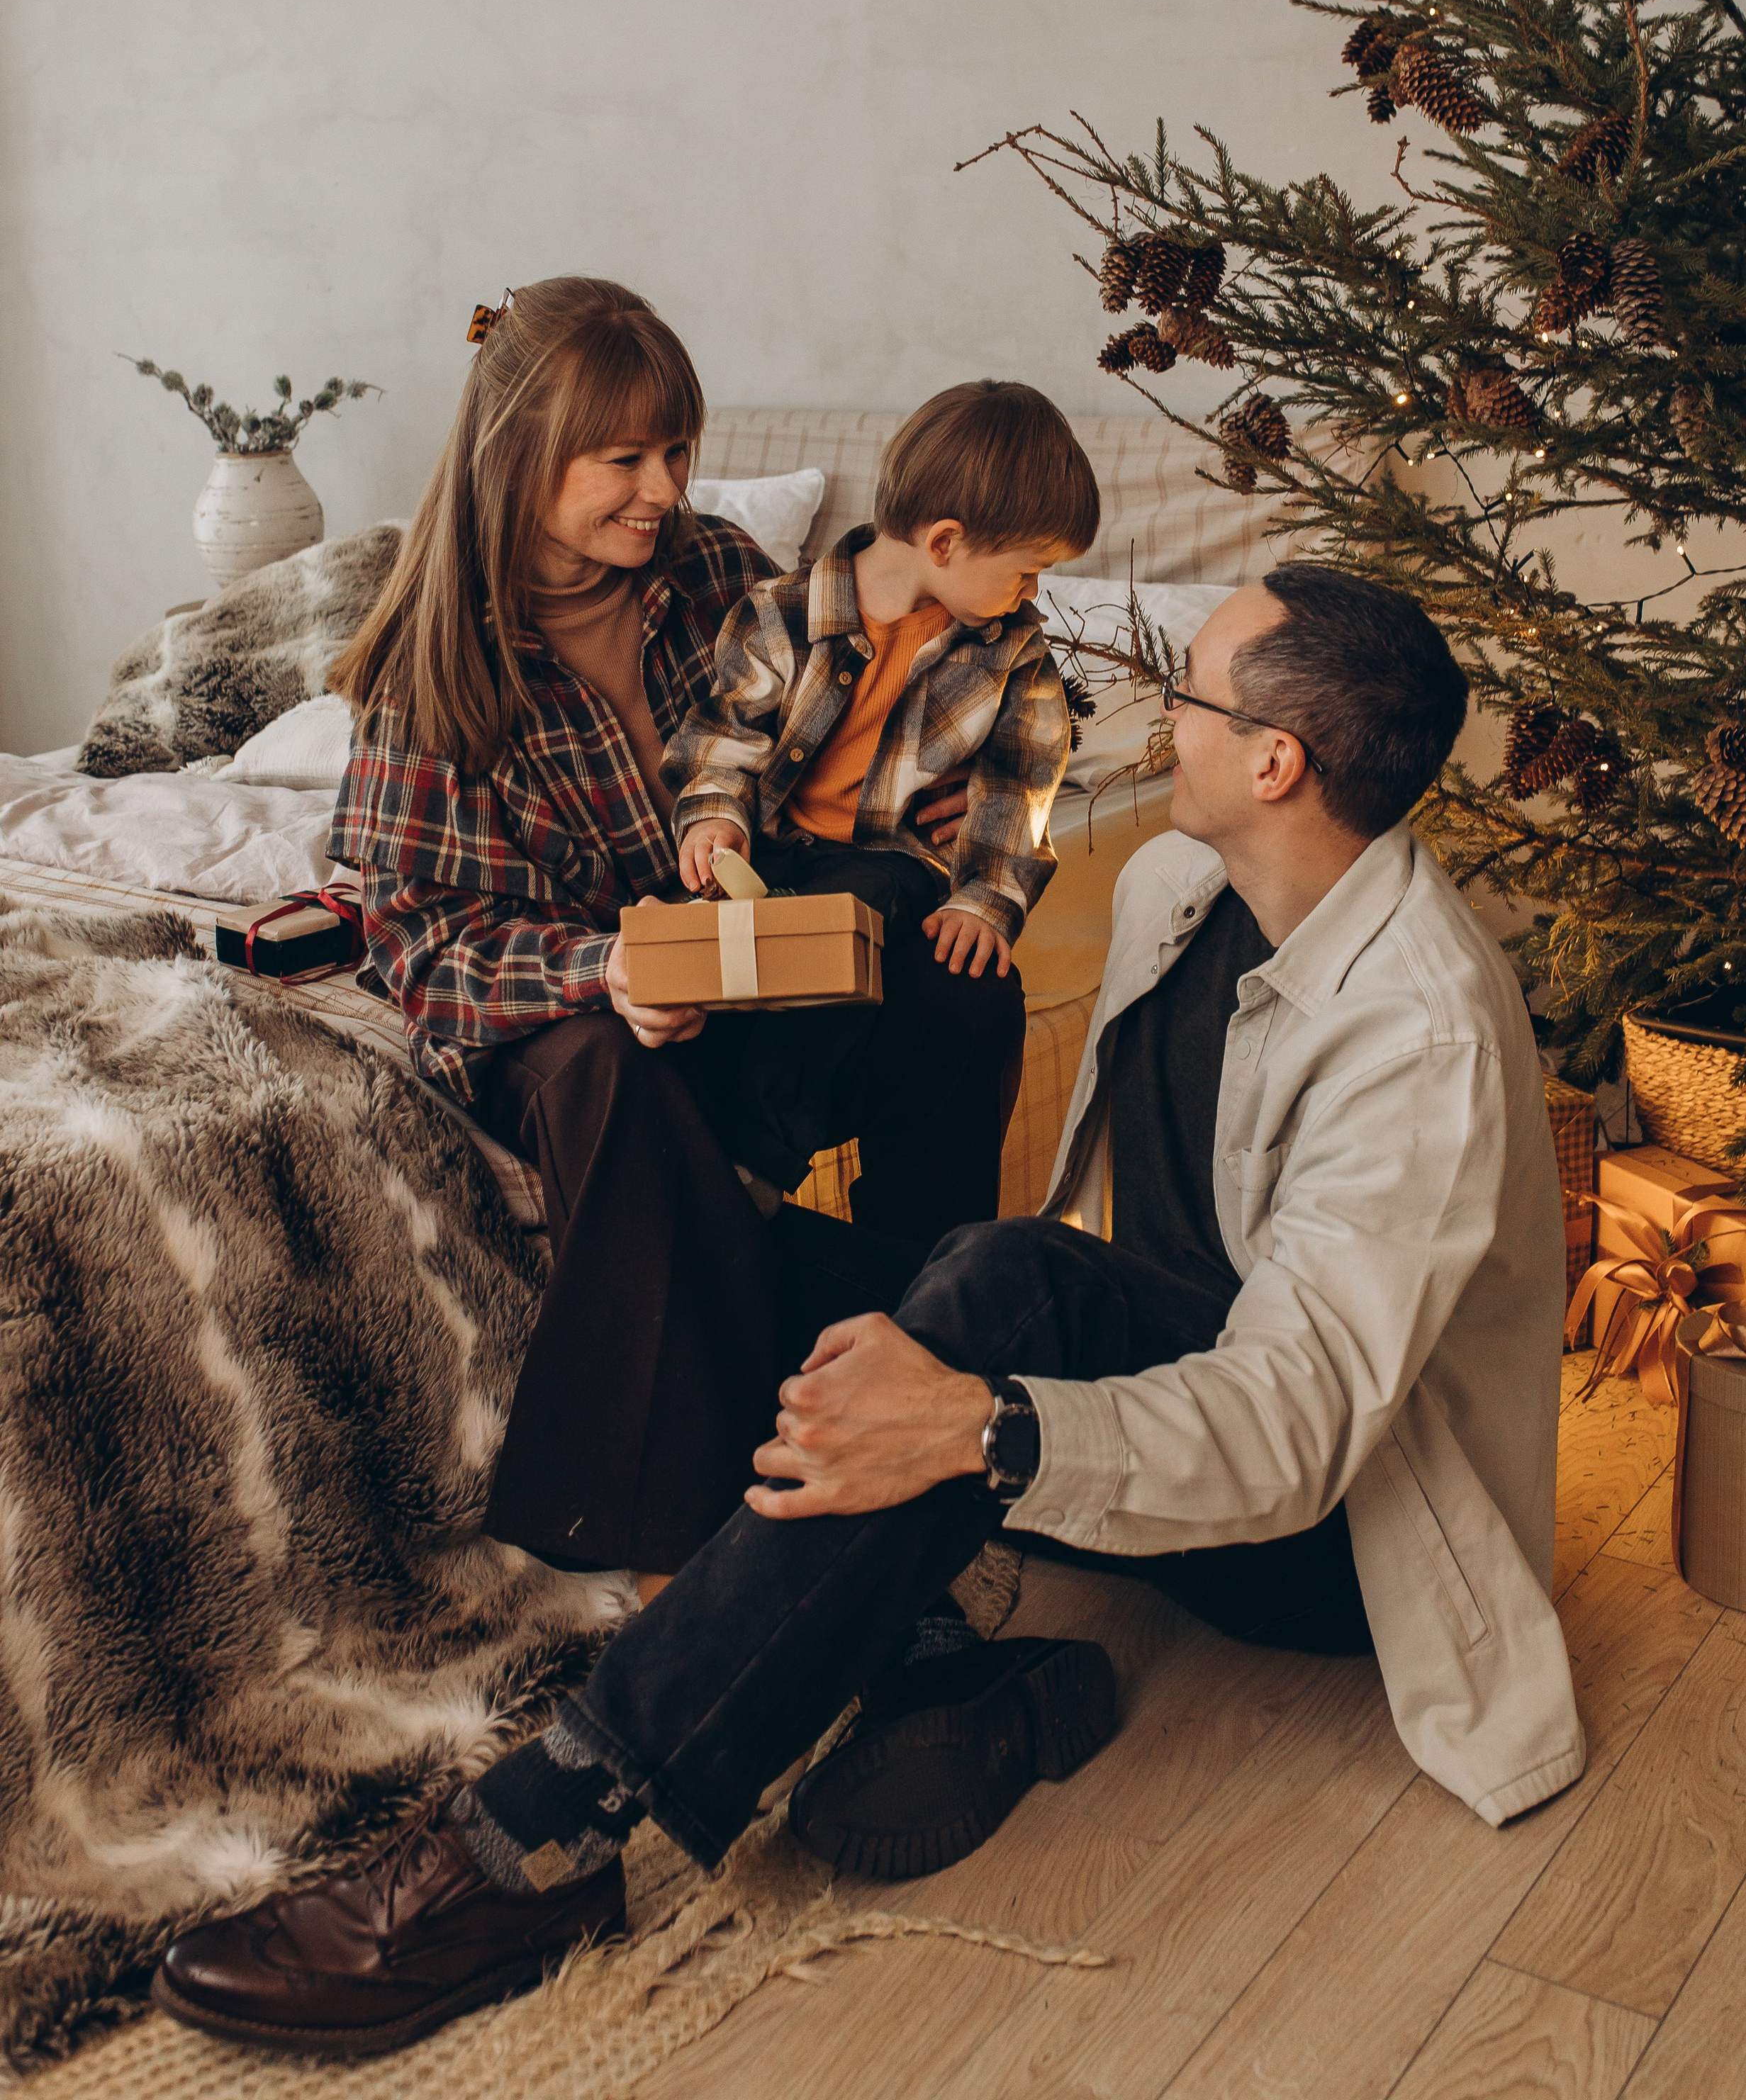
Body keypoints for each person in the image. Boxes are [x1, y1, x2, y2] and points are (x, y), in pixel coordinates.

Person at [158, 563, 1586, 2060]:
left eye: (1189, 695)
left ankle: (546, 1833)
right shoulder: (1181, 887)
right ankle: (920, 1651)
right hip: (1179, 1415)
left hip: (1342, 1539)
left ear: (1275, 762)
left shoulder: (1417, 1036)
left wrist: (983, 1425)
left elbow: (1299, 1431)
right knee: (759, 1267)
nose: (1159, 716)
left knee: (1002, 1288)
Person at [325, 276, 986, 1598]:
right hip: (567, 1009)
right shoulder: (435, 671)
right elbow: (427, 951)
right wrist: (606, 969)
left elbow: (820, 759)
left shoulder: (719, 571)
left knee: (955, 969)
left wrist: (914, 794)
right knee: (615, 1071)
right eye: (624, 460)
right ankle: (678, 1554)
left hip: (729, 960)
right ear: (521, 451)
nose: (664, 489)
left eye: (678, 451)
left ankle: (936, 1340)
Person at [659, 379, 1098, 1233]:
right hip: (774, 849)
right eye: (1026, 570)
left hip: (891, 866)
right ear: (945, 541)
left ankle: (758, 1163)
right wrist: (714, 813)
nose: (1032, 593)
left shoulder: (1014, 657)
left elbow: (1019, 787)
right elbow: (725, 732)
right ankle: (674, 1173)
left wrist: (983, 902)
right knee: (705, 941)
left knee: (839, 934)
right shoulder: (780, 614)